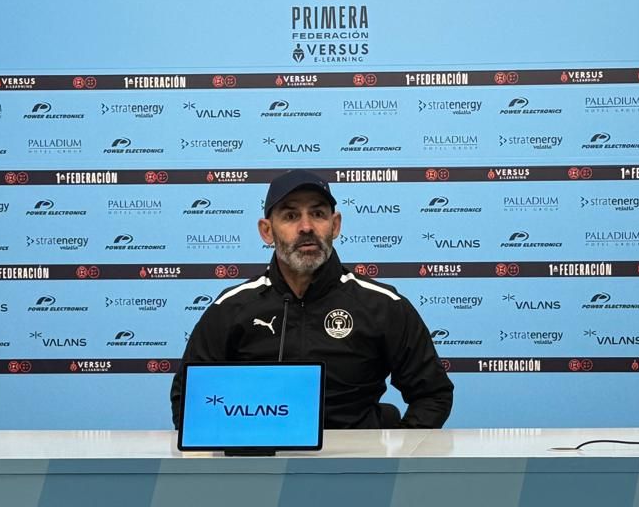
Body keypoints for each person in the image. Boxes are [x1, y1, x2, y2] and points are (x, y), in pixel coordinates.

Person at [170, 169, 453, 429]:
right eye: (290, 216)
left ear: (335, 225)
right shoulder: (232, 307)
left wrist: (392, 457)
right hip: (263, 469)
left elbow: (433, 395)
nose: (306, 227)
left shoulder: (382, 305)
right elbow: (188, 400)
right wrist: (238, 454)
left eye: (317, 214)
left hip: (359, 471)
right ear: (267, 231)